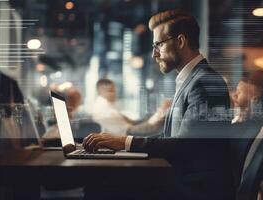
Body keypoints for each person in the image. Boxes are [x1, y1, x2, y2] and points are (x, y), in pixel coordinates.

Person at [83, 9, 233, 200]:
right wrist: (122, 141)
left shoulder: (204, 82)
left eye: (158, 45)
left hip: (195, 189)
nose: (154, 54)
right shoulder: (192, 79)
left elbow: (186, 145)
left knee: (99, 189)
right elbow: (172, 137)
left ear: (180, 41)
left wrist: (124, 142)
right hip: (183, 180)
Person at [90, 78, 171, 136]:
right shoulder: (105, 111)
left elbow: (134, 123)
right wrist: (161, 113)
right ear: (100, 91)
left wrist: (159, 113)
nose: (114, 93)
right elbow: (134, 131)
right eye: (111, 91)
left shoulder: (104, 105)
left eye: (114, 90)